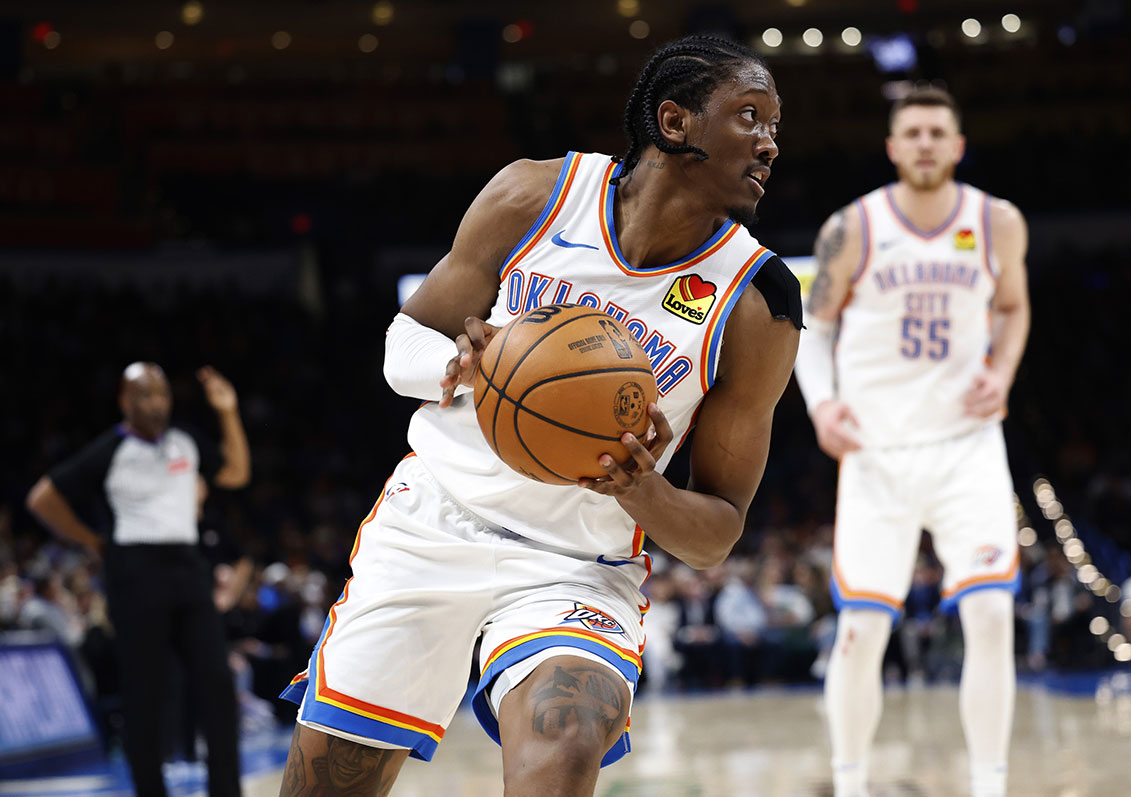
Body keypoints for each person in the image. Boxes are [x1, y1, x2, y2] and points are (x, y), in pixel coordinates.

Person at [277, 34, 801, 796]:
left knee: (568, 741)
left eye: (776, 127)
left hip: (574, 567)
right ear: (675, 121)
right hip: (435, 523)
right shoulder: (535, 194)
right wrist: (463, 366)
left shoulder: (759, 303)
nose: (770, 143)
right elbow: (402, 347)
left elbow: (718, 530)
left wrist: (639, 488)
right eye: (750, 117)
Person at [794, 86, 1030, 797]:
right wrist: (822, 404)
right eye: (913, 133)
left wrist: (1004, 371)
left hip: (967, 445)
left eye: (938, 132)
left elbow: (1014, 309)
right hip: (877, 450)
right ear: (893, 147)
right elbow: (815, 326)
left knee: (990, 613)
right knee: (861, 628)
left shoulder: (998, 221)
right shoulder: (853, 227)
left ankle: (990, 784)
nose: (925, 143)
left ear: (957, 145)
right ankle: (851, 782)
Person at [26, 363, 251, 797]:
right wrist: (92, 541)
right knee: (144, 695)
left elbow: (237, 473)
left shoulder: (185, 440)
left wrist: (227, 411)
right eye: (144, 395)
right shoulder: (109, 449)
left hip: (188, 568)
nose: (155, 404)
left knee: (217, 685)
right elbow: (42, 498)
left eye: (162, 394)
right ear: (124, 402)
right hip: (134, 573)